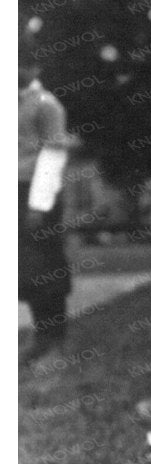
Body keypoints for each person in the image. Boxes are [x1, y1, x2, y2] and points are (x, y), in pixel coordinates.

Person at [19, 63, 72, 366]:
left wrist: (39, 205)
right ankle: (41, 337)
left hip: (37, 191)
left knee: (45, 266)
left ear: (34, 67)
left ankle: (54, 337)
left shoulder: (47, 104)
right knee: (23, 270)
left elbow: (53, 154)